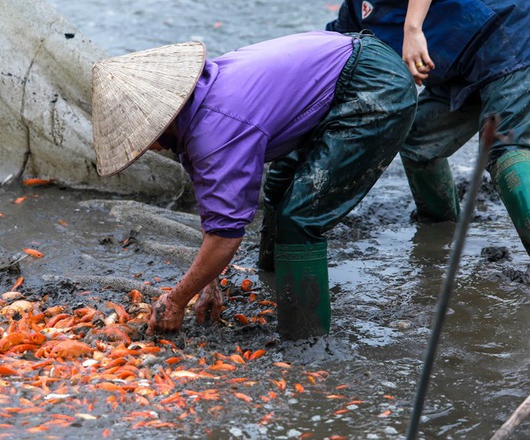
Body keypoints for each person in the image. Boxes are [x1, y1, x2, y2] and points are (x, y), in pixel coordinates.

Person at [91, 31, 417, 340]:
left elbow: (225, 235)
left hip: (373, 87)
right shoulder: (201, 96)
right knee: (278, 190)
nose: (147, 147)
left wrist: (175, 301)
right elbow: (215, 206)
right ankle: (277, 292)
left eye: (144, 139)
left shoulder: (216, 130)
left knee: (299, 217)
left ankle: (307, 341)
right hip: (342, 70)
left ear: (161, 122)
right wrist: (209, 284)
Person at [324, 0, 530, 255]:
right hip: (457, 70)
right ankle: (440, 228)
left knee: (504, 148)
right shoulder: (355, 10)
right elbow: (337, 52)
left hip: (509, 37)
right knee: (416, 140)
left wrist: (412, 28)